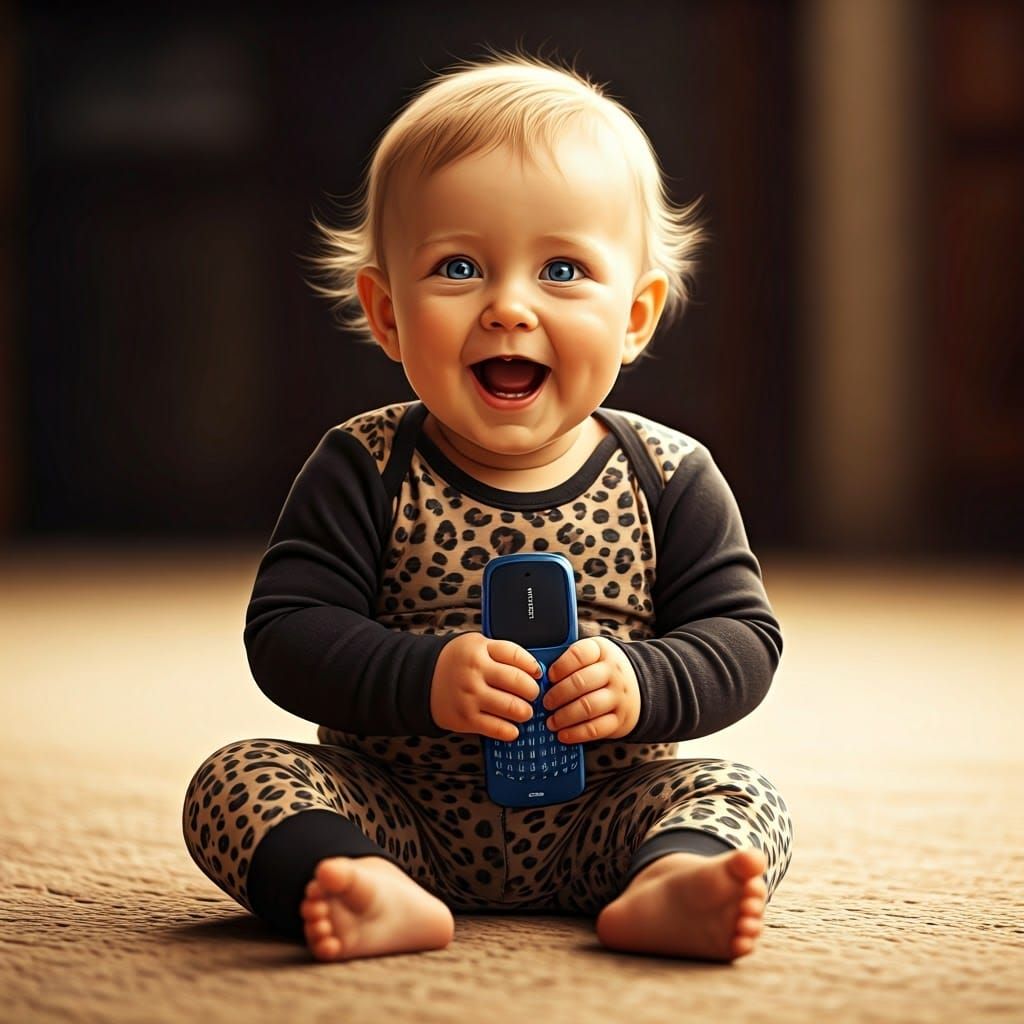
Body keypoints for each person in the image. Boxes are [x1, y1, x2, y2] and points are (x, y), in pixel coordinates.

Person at [182, 49, 793, 964]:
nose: (509, 307)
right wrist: (425, 677)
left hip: (606, 812)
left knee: (743, 793)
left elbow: (744, 640)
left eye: (562, 269)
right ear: (387, 313)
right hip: (394, 811)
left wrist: (642, 680)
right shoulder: (364, 466)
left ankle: (668, 882)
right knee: (233, 781)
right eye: (460, 266)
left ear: (635, 316)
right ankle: (360, 882)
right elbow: (286, 633)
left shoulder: (670, 475)